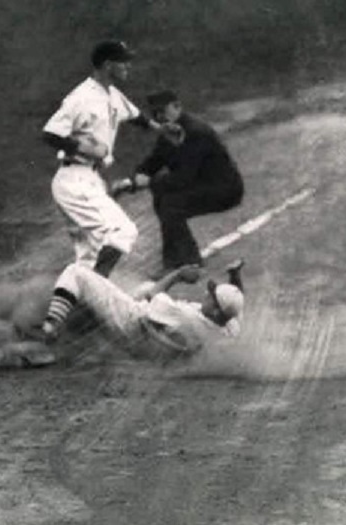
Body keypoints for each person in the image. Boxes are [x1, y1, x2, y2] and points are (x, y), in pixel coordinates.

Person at [42, 40, 167, 278]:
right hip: (74, 180)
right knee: (122, 232)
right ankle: (96, 291)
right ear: (109, 65)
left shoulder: (111, 93)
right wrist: (84, 147)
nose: (128, 66)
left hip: (89, 180)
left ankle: (73, 304)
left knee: (89, 255)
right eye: (123, 62)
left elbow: (135, 115)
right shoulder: (80, 97)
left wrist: (159, 128)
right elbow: (50, 133)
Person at [111, 89, 244, 276]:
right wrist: (131, 180)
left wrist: (149, 182)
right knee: (163, 198)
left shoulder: (196, 132)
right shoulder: (170, 130)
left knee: (171, 204)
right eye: (155, 113)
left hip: (225, 189)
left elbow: (183, 178)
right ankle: (174, 260)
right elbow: (154, 161)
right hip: (204, 185)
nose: (159, 117)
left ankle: (190, 261)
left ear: (177, 107)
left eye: (162, 111)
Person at [37, 257, 246, 357]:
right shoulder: (228, 328)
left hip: (131, 325)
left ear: (217, 310)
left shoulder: (187, 316)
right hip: (150, 340)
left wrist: (179, 274)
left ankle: (50, 327)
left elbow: (152, 295)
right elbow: (236, 306)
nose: (207, 294)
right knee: (142, 284)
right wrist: (235, 277)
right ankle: (78, 326)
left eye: (212, 297)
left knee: (76, 272)